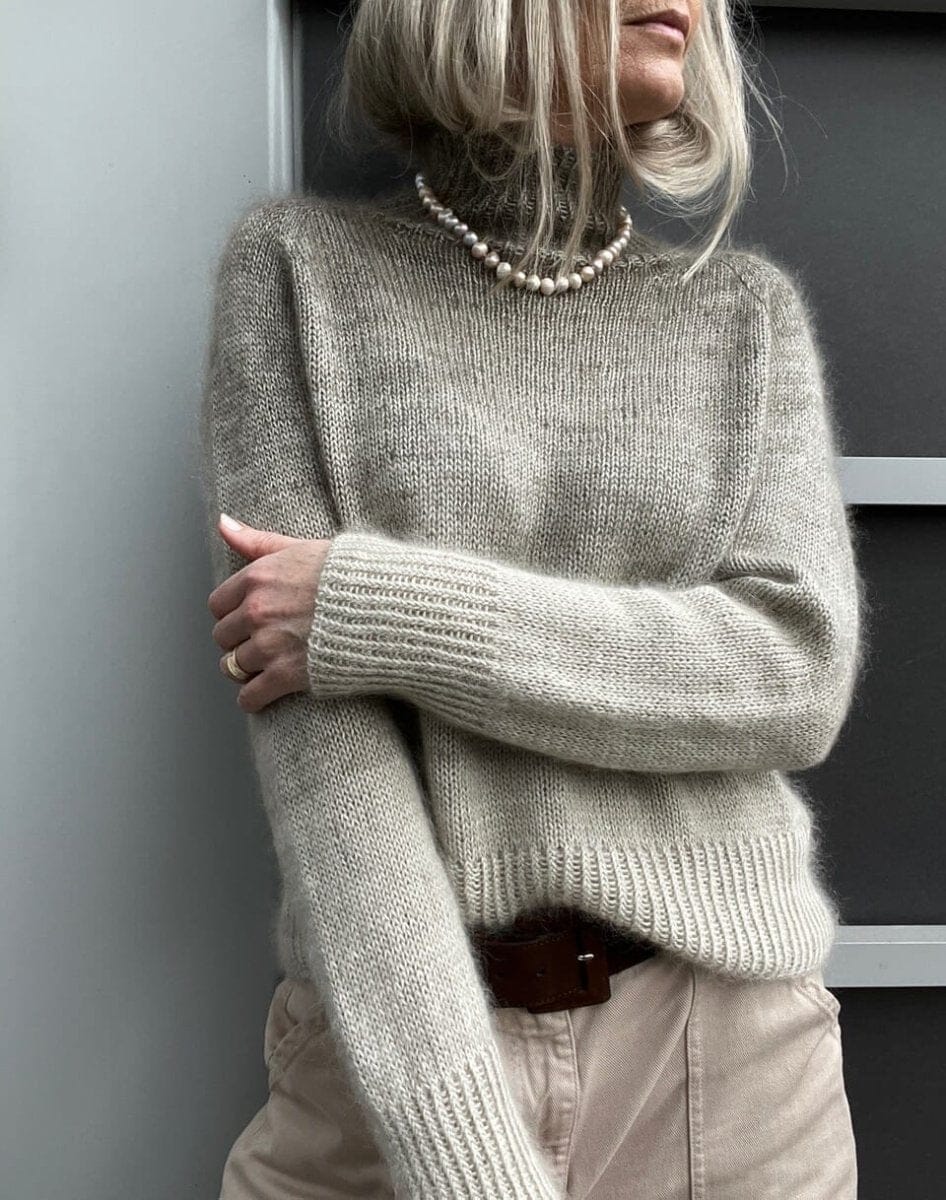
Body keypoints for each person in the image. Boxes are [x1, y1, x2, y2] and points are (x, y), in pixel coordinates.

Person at [198, 1, 868, 1196]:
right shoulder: (298, 275)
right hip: (394, 1063)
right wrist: (464, 1156)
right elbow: (327, 773)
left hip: (727, 1070)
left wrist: (376, 609)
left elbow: (792, 671)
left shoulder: (742, 313)